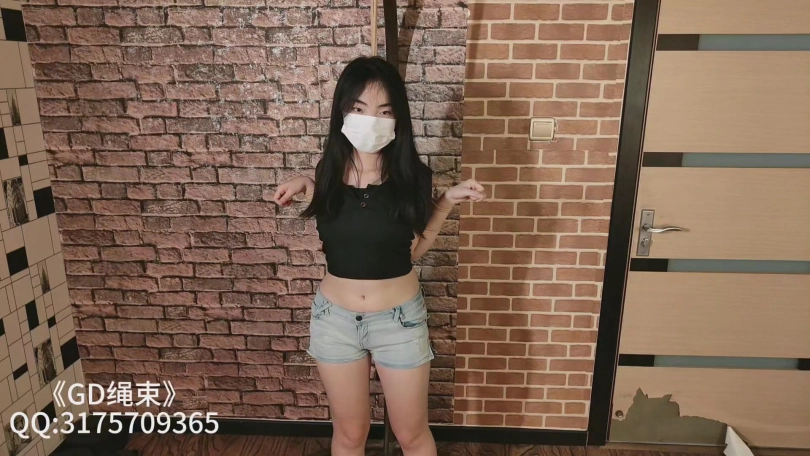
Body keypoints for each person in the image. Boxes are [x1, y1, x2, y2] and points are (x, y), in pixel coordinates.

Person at [273, 56, 485, 456]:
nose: (371, 120)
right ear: (342, 112)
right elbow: (336, 220)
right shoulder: (326, 173)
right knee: (349, 435)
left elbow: (413, 249)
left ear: (398, 119)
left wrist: (445, 202)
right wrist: (305, 181)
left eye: (384, 112)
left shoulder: (413, 176)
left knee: (412, 436)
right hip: (334, 321)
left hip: (399, 321)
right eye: (359, 108)